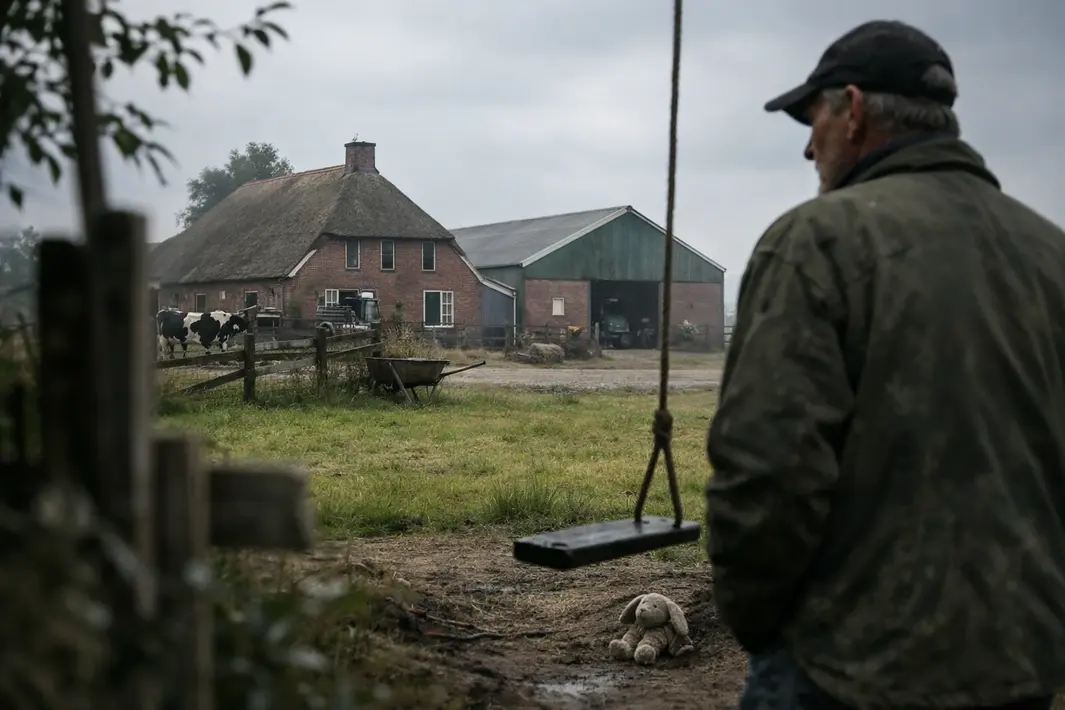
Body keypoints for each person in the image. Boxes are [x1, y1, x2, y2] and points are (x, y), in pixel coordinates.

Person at [704, 19, 1065, 710]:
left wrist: (758, 623)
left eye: (812, 121)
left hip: (844, 669)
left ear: (854, 110)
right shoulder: (1048, 254)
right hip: (1020, 662)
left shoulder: (816, 242)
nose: (809, 145)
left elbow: (766, 469)